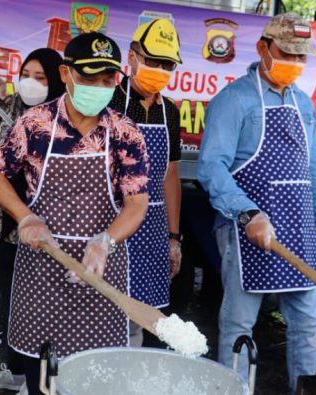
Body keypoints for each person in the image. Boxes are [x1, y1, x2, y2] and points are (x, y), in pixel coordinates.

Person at [0, 32, 149, 394]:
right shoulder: (33, 124)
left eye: (107, 80)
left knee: (94, 380)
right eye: (88, 78)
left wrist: (106, 240)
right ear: (66, 73)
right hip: (41, 273)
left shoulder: (125, 132)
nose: (98, 87)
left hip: (100, 274)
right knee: (43, 378)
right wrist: (25, 216)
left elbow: (137, 203)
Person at [197, 13, 316, 393]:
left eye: (301, 57)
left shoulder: (303, 104)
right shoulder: (234, 100)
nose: (294, 63)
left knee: (307, 324)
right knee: (240, 324)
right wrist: (248, 212)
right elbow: (212, 168)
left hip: (300, 232)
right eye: (286, 54)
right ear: (262, 48)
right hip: (248, 231)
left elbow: (312, 173)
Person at [0, 47, 65, 392]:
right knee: (11, 304)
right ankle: (16, 371)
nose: (31, 83)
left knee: (42, 309)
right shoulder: (11, 106)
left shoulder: (66, 116)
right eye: (26, 75)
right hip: (6, 227)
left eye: (40, 77)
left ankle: (37, 379)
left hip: (46, 230)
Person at [107, 17, 182, 347]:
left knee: (144, 317)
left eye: (166, 64)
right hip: (112, 221)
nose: (159, 69)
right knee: (106, 311)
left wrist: (174, 238)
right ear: (132, 56)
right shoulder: (108, 102)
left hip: (153, 230)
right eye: (152, 60)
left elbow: (171, 176)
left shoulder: (170, 112)